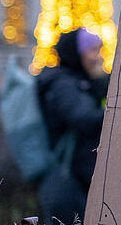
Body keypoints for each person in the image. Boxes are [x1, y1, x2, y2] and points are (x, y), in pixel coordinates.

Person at [37, 28, 110, 223]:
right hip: (69, 183)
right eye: (93, 50)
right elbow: (84, 118)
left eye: (99, 50)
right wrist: (116, 113)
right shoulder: (63, 84)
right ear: (77, 52)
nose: (98, 57)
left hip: (82, 178)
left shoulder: (82, 80)